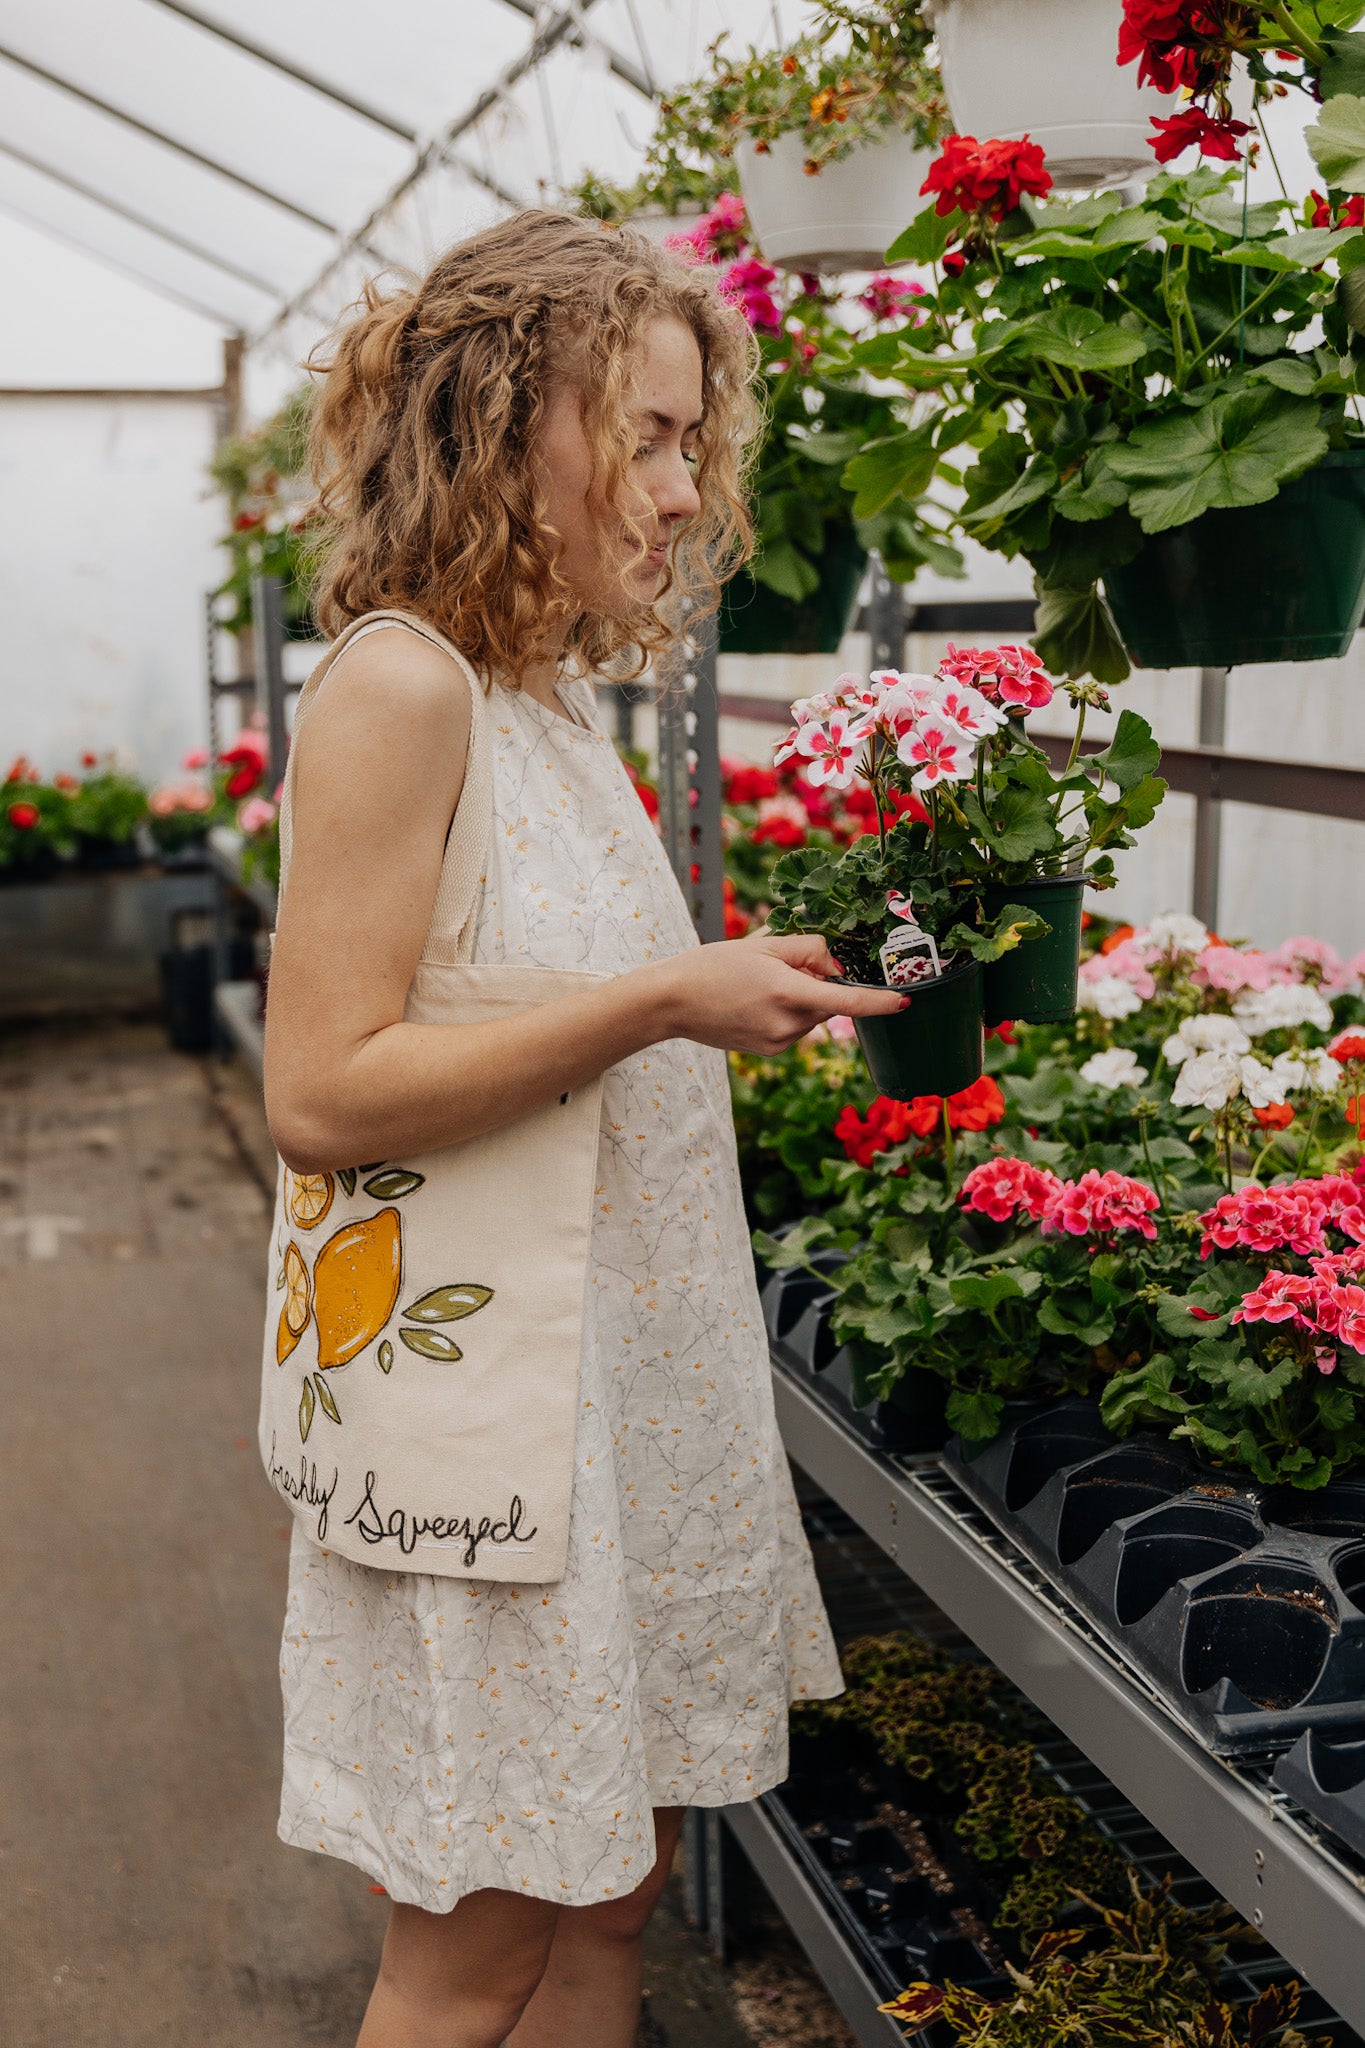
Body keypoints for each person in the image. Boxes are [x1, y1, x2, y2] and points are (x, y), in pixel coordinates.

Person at [262, 209, 904, 2048]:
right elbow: (322, 1090)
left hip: (607, 1412)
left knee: (604, 1899)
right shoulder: (402, 689)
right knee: (469, 1949)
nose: (687, 488)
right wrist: (662, 999)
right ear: (498, 424)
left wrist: (718, 992)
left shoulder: (537, 701)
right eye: (648, 433)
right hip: (498, 1450)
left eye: (694, 440)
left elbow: (527, 1019)